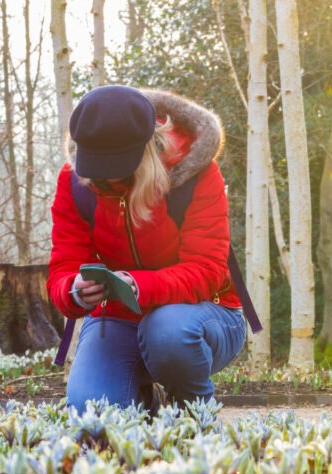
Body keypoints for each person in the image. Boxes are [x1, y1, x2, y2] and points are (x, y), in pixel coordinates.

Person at [47, 85, 247, 412]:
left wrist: (138, 286)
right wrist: (75, 291)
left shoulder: (195, 174)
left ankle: (192, 412)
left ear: (148, 147)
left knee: (168, 332)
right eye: (98, 169)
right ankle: (146, 400)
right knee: (91, 412)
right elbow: (63, 267)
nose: (106, 181)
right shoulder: (74, 181)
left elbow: (207, 272)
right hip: (118, 318)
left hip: (203, 316)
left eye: (116, 169)